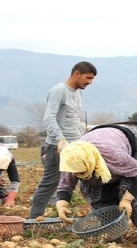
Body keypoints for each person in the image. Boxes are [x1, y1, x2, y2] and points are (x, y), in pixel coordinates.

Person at [29, 61, 97, 219]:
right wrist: (60, 139)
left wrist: (84, 139)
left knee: (88, 178)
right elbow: (49, 118)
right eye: (88, 78)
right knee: (50, 184)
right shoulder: (59, 91)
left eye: (92, 79)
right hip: (56, 148)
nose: (90, 82)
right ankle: (32, 220)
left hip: (75, 147)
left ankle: (87, 214)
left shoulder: (79, 93)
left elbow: (75, 120)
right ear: (76, 74)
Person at [55, 125, 137, 229]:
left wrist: (127, 200)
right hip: (99, 139)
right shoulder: (72, 159)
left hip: (130, 141)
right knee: (95, 194)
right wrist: (61, 206)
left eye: (81, 170)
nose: (78, 174)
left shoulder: (115, 157)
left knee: (133, 193)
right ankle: (113, 230)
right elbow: (65, 186)